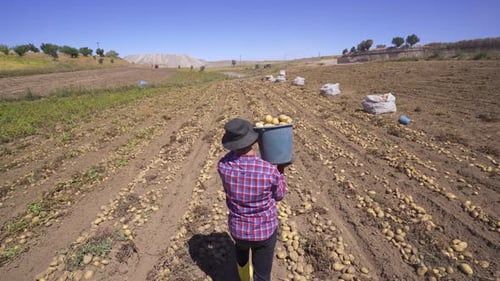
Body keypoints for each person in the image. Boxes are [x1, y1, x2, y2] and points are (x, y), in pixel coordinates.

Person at [217, 118, 288, 281]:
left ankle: (244, 278)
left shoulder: (223, 166)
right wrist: (281, 170)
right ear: (255, 139)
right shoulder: (269, 170)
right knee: (262, 274)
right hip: (264, 231)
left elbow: (231, 157)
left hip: (238, 229)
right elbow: (279, 196)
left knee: (241, 251)